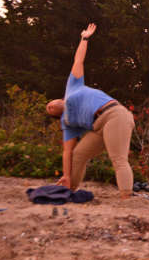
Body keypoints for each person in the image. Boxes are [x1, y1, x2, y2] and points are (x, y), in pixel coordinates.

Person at [46, 23, 135, 199]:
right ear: (55, 115)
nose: (49, 107)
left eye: (49, 103)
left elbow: (78, 60)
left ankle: (126, 196)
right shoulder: (67, 123)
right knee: (78, 154)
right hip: (98, 127)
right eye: (48, 110)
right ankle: (69, 189)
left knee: (118, 158)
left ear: (59, 99)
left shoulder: (72, 86)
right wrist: (65, 174)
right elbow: (67, 152)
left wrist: (84, 38)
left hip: (114, 115)